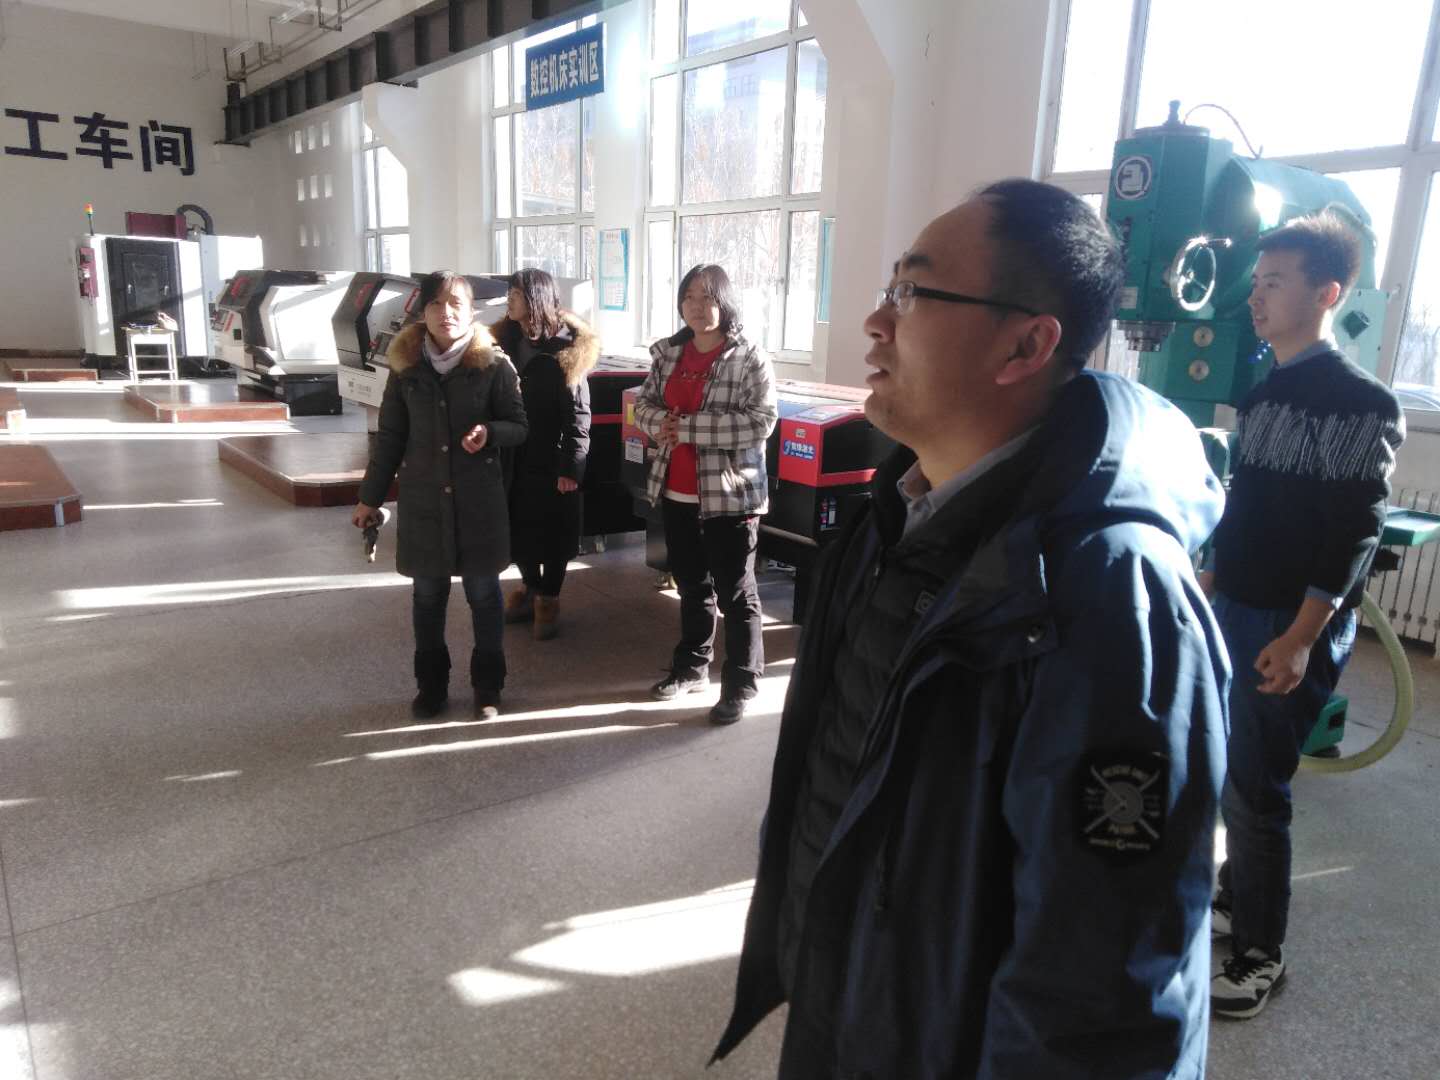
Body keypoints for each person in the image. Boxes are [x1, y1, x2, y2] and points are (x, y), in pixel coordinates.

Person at [713, 179, 1230, 1077]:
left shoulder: (1112, 599)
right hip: (852, 1003)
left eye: (912, 292)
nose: (876, 320)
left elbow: (1100, 995)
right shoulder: (893, 517)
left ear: (1026, 345)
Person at [1202, 209, 1404, 1019]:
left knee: (1258, 790)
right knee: (1232, 769)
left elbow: (1353, 531)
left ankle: (1261, 954)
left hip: (1288, 623)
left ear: (1326, 294)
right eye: (1257, 282)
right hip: (1238, 605)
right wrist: (1210, 575)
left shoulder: (1361, 402)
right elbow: (1247, 505)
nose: (1257, 297)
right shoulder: (1266, 391)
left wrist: (1298, 639)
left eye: (1276, 283)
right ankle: (1235, 895)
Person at [352, 271, 528, 719]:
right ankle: (431, 687)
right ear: (422, 311)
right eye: (436, 303)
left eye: (456, 304)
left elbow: (519, 426)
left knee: (484, 596)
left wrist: (489, 432)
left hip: (478, 504)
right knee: (427, 598)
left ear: (471, 311)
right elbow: (390, 438)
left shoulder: (495, 365)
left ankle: (488, 686)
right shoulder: (405, 367)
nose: (445, 312)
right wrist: (370, 497)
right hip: (424, 504)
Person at [631, 264, 777, 725]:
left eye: (708, 297)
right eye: (689, 296)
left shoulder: (749, 356)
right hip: (676, 489)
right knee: (692, 585)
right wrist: (661, 423)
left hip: (730, 495)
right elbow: (644, 406)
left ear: (725, 302)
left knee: (736, 593)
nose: (697, 306)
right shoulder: (668, 353)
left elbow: (761, 422)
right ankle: (691, 668)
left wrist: (687, 429)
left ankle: (741, 684)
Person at [492, 268, 599, 641]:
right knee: (519, 530)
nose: (509, 300)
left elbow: (579, 416)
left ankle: (549, 598)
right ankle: (531, 589)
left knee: (555, 534)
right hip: (513, 455)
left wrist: (571, 467)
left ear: (535, 298)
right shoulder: (503, 342)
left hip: (552, 459)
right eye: (509, 293)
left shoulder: (566, 350)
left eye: (516, 294)